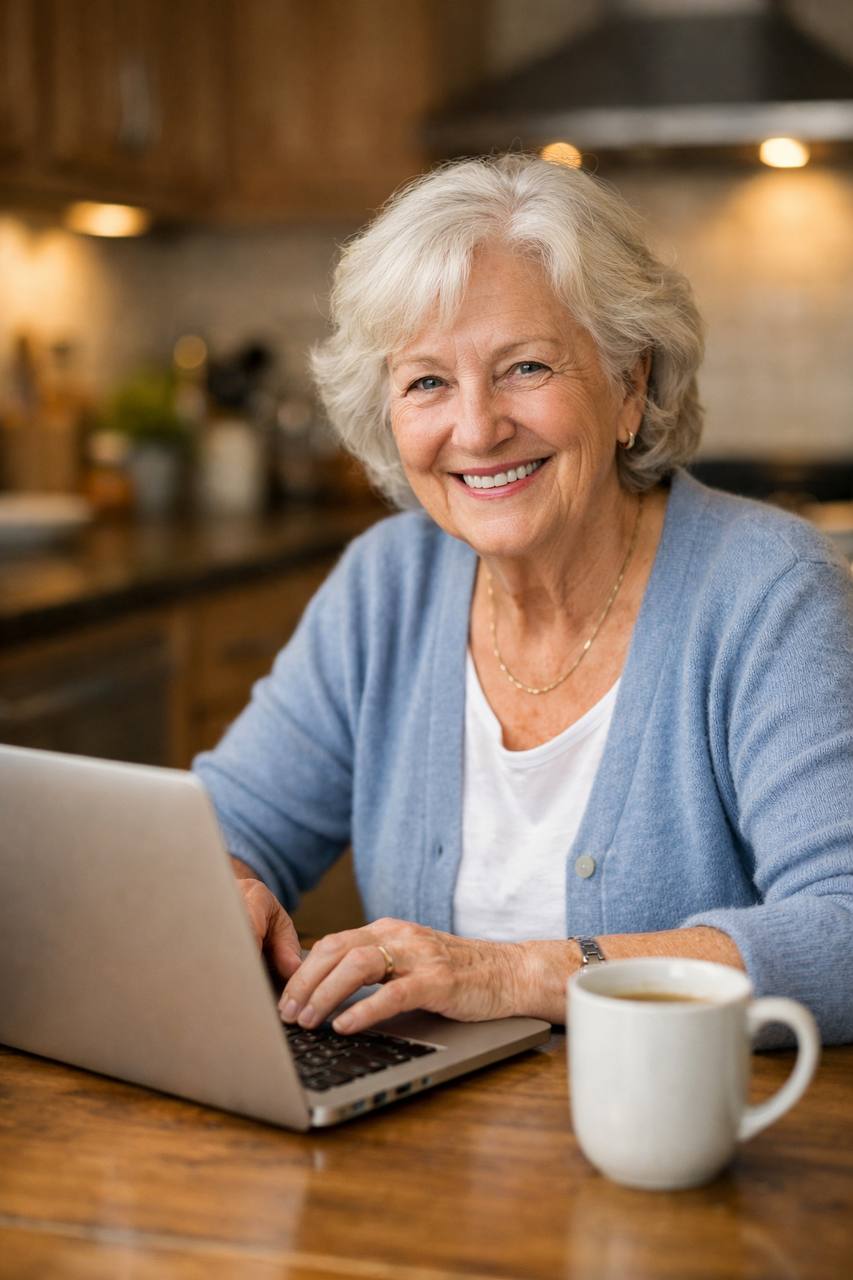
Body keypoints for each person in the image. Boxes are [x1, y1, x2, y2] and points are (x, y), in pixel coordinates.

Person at [194, 154, 853, 1045]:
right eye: (427, 381)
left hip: (690, 1148)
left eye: (526, 368)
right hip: (430, 1146)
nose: (475, 429)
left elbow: (841, 931)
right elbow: (218, 830)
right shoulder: (388, 582)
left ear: (628, 385)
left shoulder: (767, 593)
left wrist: (517, 973)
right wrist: (220, 889)